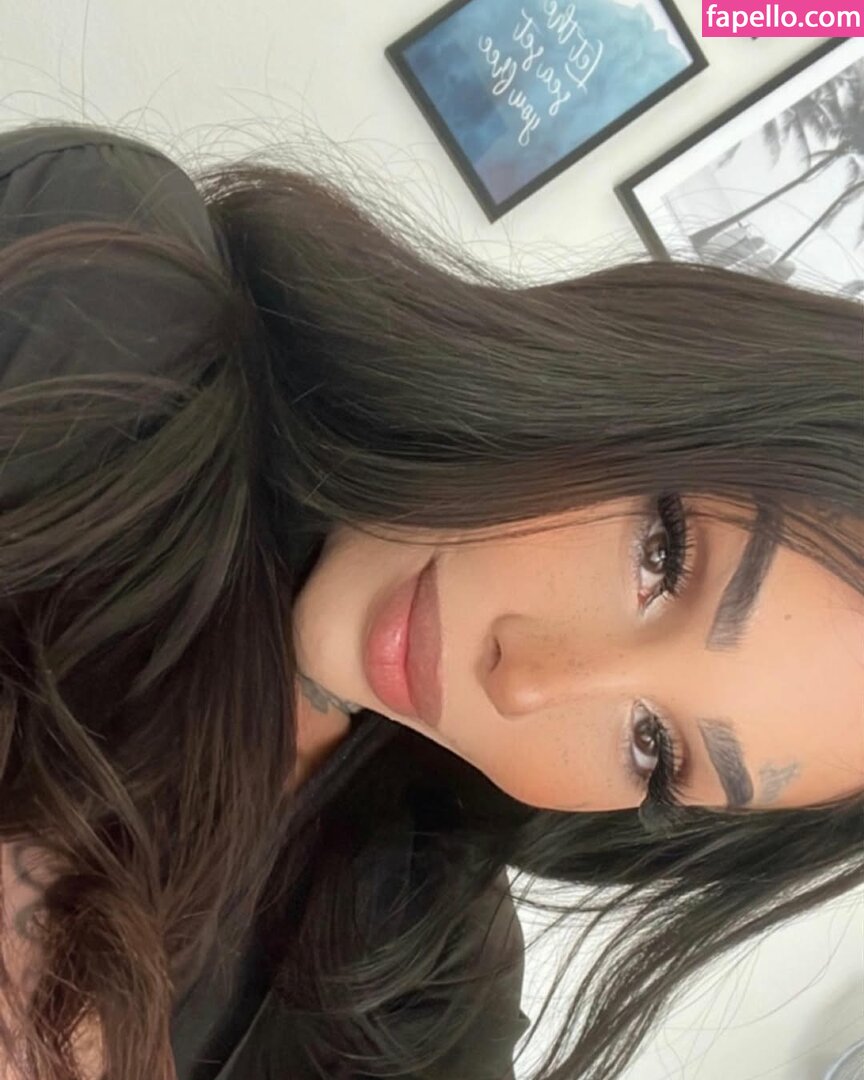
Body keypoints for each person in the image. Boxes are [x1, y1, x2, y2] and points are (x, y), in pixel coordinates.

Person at [0, 120, 860, 1080]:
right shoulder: (114, 301)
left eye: (653, 748)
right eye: (664, 555)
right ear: (637, 384)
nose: (528, 682)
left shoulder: (428, 983)